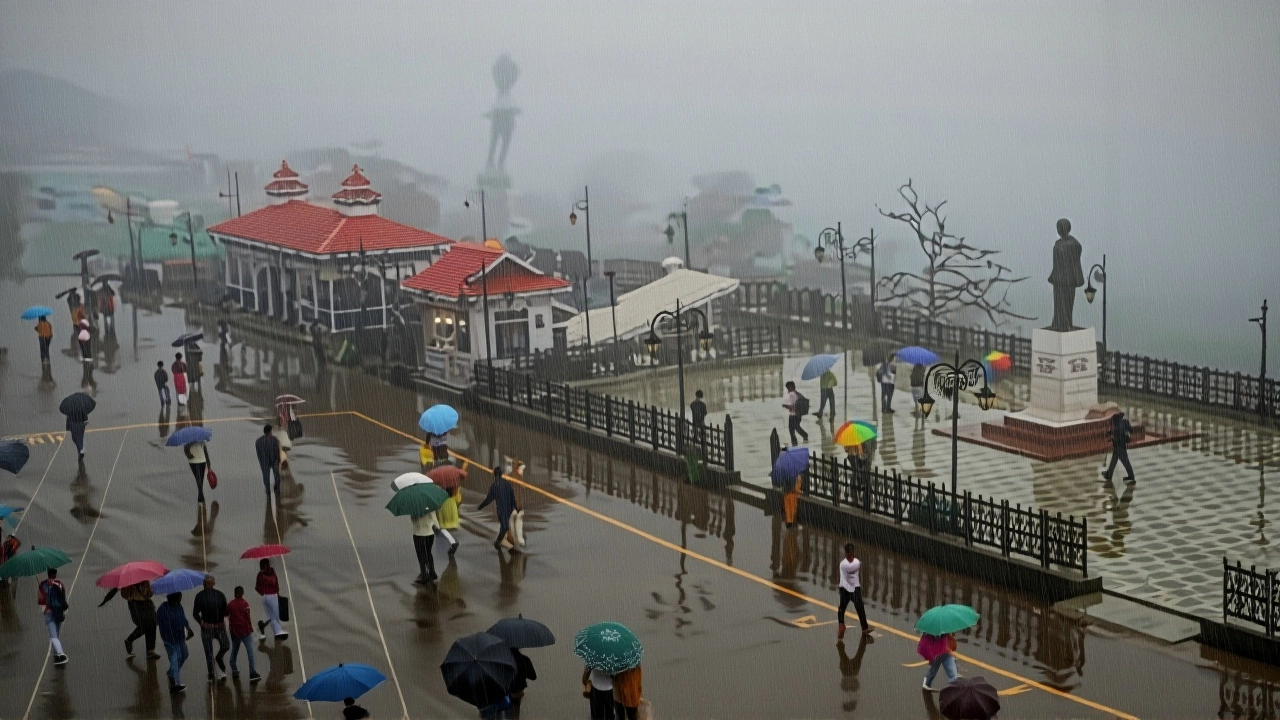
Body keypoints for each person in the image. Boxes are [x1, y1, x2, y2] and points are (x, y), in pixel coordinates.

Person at [191, 575, 229, 682]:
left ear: (214, 583)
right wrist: (201, 623)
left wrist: (224, 619)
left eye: (210, 583)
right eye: (206, 583)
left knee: (226, 645)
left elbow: (225, 610)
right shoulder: (199, 596)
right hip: (206, 628)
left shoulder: (220, 595)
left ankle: (219, 657)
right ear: (203, 584)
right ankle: (211, 672)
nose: (208, 585)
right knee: (208, 651)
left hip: (219, 627)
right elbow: (195, 613)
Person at [157, 591, 194, 693]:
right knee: (174, 659)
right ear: (173, 598)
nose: (181, 598)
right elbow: (158, 621)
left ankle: (171, 673)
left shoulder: (179, 606)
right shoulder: (163, 609)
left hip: (180, 638)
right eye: (179, 596)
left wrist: (188, 628)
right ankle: (176, 684)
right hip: (170, 640)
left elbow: (183, 618)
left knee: (185, 654)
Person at [226, 586, 261, 683]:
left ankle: (234, 668)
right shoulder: (245, 604)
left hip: (234, 631)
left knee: (235, 650)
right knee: (250, 652)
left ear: (234, 593)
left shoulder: (230, 604)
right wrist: (250, 629)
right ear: (242, 593)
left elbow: (226, 613)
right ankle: (252, 673)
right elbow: (247, 618)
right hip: (245, 631)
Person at [837, 543, 871, 640]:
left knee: (860, 608)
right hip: (845, 588)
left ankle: (864, 628)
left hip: (855, 588)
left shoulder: (854, 562)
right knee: (842, 607)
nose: (851, 557)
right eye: (849, 555)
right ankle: (841, 624)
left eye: (852, 555)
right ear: (846, 554)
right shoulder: (844, 565)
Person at [477, 467, 517, 550]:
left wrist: (481, 506)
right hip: (509, 508)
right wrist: (515, 507)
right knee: (507, 526)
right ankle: (510, 544)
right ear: (501, 474)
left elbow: (489, 499)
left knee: (505, 527)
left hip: (502, 509)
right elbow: (512, 496)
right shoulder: (507, 483)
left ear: (494, 474)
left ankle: (498, 542)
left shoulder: (494, 485)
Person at [38, 568, 69, 666]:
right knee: (57, 633)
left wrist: (45, 609)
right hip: (58, 612)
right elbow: (63, 599)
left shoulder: (42, 585)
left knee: (53, 635)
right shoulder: (59, 584)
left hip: (48, 613)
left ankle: (59, 654)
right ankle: (58, 654)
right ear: (55, 574)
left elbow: (40, 600)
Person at [122, 580, 159, 659]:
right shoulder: (129, 582)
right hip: (138, 605)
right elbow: (148, 594)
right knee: (146, 625)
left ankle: (150, 650)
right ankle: (149, 650)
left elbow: (149, 594)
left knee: (151, 624)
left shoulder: (144, 581)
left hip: (143, 604)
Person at [255, 558, 288, 641]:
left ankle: (263, 625)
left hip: (268, 596)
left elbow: (257, 587)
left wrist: (263, 592)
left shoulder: (261, 574)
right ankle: (277, 632)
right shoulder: (272, 573)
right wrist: (276, 593)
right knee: (274, 615)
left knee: (272, 614)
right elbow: (276, 584)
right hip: (271, 596)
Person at [1102, 411, 1136, 482]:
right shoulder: (1124, 422)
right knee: (1114, 460)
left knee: (1125, 461)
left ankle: (1131, 476)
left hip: (1119, 446)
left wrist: (1110, 435)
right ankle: (1109, 474)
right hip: (1121, 445)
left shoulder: (1117, 427)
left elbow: (1114, 435)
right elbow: (1130, 430)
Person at [411, 506, 440, 584]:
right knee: (428, 552)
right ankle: (432, 572)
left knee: (421, 554)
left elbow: (414, 521)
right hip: (430, 533)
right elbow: (435, 520)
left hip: (419, 534)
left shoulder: (415, 507)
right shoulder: (430, 505)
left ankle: (424, 575)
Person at [508, 647, 537, 718]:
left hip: (506, 691)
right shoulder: (525, 659)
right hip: (518, 691)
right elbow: (533, 676)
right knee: (515, 714)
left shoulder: (503, 661)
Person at [255, 425, 282, 497]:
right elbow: (277, 451)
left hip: (264, 460)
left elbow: (258, 453)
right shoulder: (275, 440)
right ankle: (277, 486)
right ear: (270, 431)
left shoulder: (258, 441)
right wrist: (279, 459)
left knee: (265, 475)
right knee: (276, 474)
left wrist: (261, 461)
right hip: (274, 459)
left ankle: (267, 489)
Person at [184, 439, 211, 504]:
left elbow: (205, 452)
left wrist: (208, 464)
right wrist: (189, 455)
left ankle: (200, 495)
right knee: (198, 478)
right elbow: (186, 450)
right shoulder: (189, 441)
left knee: (201, 479)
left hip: (202, 461)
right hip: (194, 461)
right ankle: (201, 496)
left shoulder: (202, 441)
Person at [782, 381, 809, 445]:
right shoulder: (798, 394)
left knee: (791, 430)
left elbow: (792, 407)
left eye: (788, 387)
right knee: (797, 427)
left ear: (790, 387)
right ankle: (805, 435)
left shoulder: (792, 394)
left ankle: (794, 444)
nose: (788, 389)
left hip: (793, 415)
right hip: (799, 414)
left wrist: (785, 406)